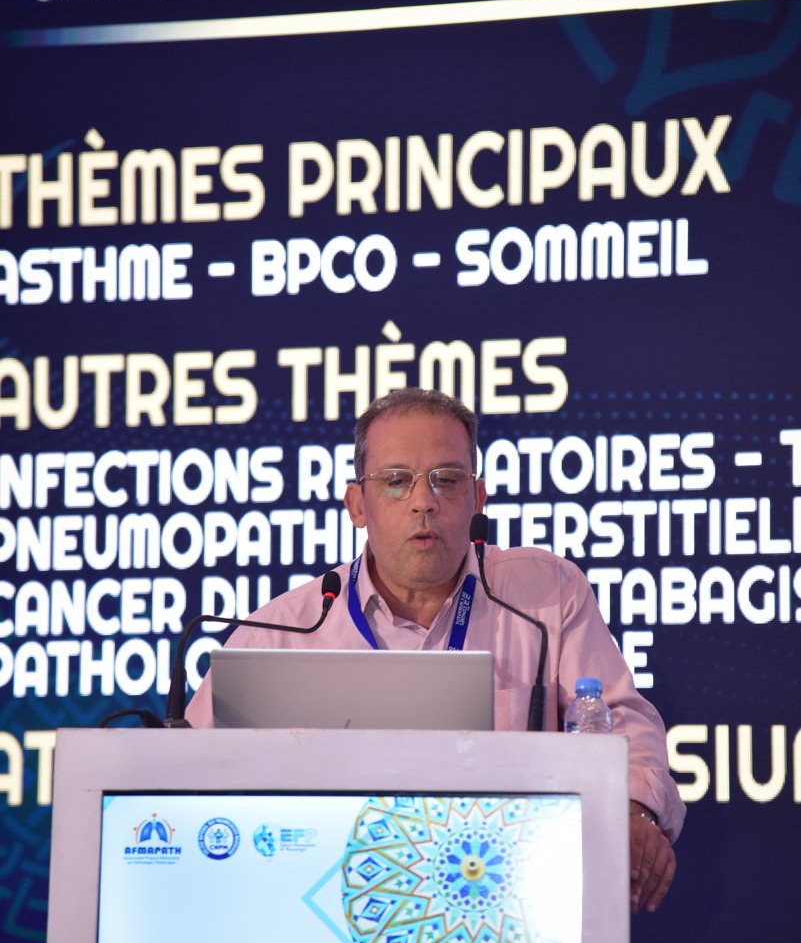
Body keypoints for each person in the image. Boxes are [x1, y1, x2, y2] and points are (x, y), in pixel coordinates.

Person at [187, 388, 685, 913]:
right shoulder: (281, 631)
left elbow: (621, 721)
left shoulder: (545, 595)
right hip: (323, 904)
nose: (423, 501)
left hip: (509, 899)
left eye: (446, 480)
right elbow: (184, 773)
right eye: (396, 480)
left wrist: (633, 812)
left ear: (477, 499)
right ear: (357, 505)